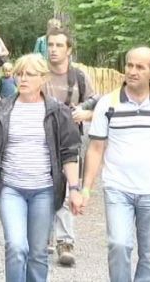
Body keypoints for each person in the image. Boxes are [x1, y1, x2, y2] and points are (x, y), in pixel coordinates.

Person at [80, 46, 150, 281]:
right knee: (119, 245)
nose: (132, 71)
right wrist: (86, 188)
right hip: (118, 187)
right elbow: (96, 148)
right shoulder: (107, 104)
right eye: (129, 65)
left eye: (140, 67)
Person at [0, 54, 83, 282]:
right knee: (16, 247)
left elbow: (69, 153)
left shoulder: (57, 112)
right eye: (19, 74)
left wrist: (74, 189)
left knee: (37, 253)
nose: (23, 79)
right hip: (10, 189)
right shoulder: (0, 112)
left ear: (43, 78)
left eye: (29, 75)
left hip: (44, 190)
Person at [43, 27, 99, 266]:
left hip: (70, 141)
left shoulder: (79, 77)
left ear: (69, 50)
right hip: (41, 140)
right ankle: (43, 235)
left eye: (59, 45)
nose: (54, 50)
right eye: (51, 45)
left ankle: (65, 241)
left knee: (68, 189)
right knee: (44, 188)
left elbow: (98, 105)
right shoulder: (39, 74)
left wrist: (84, 114)